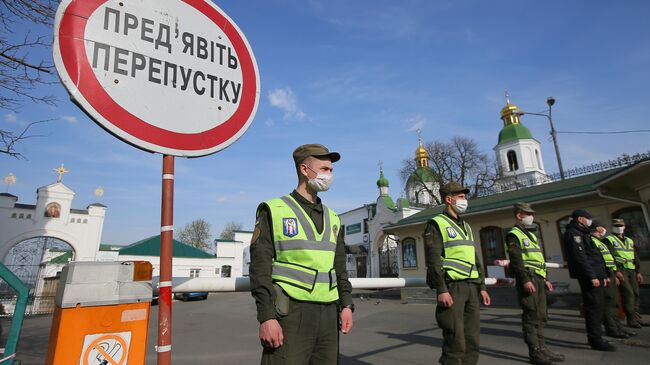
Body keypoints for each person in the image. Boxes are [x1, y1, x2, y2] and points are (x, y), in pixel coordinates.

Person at [249, 144, 354, 365]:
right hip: (290, 313)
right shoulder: (274, 210)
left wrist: (346, 305)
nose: (329, 175)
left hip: (328, 314)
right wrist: (267, 317)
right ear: (305, 170)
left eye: (331, 170)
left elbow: (340, 267)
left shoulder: (333, 218)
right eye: (324, 169)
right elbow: (260, 267)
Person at [424, 181, 491, 365]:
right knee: (455, 340)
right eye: (461, 197)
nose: (465, 200)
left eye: (464, 196)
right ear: (448, 199)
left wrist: (482, 286)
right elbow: (434, 260)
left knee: (472, 339)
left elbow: (475, 259)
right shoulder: (436, 223)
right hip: (453, 288)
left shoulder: (467, 226)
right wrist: (441, 289)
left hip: (471, 287)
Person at [506, 203, 564, 365]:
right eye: (528, 213)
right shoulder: (514, 234)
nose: (531, 216)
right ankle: (535, 352)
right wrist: (525, 279)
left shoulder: (530, 235)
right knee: (531, 315)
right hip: (529, 278)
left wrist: (545, 279)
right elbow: (516, 260)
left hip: (538, 278)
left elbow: (538, 259)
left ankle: (543, 347)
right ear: (519, 215)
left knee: (541, 315)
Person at [563, 209, 615, 351]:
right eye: (588, 218)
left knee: (598, 307)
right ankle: (595, 340)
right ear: (580, 219)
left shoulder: (583, 232)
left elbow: (593, 255)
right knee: (594, 308)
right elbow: (581, 258)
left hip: (597, 275)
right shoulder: (574, 234)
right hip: (589, 277)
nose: (590, 221)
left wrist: (602, 275)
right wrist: (591, 276)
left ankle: (597, 337)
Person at [590, 221, 635, 338]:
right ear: (597, 228)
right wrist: (604, 276)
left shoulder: (600, 242)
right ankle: (612, 329)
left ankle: (618, 327)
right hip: (605, 277)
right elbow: (596, 262)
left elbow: (609, 260)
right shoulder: (591, 241)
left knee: (614, 303)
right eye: (602, 228)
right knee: (609, 304)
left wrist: (614, 274)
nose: (603, 230)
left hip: (610, 275)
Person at [605, 218, 650, 328]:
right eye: (616, 225)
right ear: (612, 227)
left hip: (632, 270)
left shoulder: (629, 240)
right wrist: (616, 271)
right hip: (621, 270)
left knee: (636, 293)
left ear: (624, 227)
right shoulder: (609, 239)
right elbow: (608, 257)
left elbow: (635, 256)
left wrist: (638, 271)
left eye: (621, 225)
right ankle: (631, 320)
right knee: (628, 294)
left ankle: (636, 317)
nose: (619, 227)